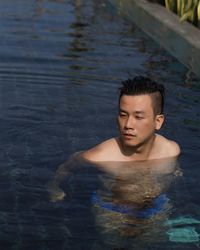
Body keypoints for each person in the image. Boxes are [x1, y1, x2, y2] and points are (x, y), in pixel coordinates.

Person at [81, 76, 180, 162]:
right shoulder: (99, 158)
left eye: (138, 117)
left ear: (158, 121)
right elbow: (68, 169)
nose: (128, 125)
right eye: (123, 115)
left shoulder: (170, 152)